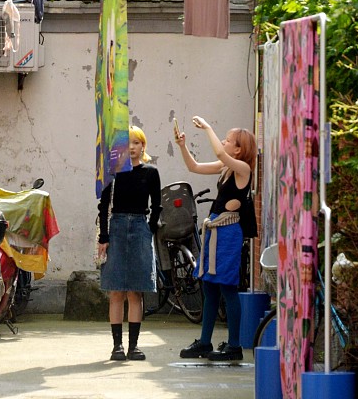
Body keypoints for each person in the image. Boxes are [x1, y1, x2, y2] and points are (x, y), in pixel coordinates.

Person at [175, 115, 257, 362]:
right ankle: (204, 341)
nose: (223, 141)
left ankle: (234, 346)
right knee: (209, 287)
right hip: (214, 231)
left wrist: (208, 127)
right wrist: (182, 146)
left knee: (228, 288)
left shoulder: (243, 169)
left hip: (229, 233)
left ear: (239, 149)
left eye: (228, 140)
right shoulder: (226, 169)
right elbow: (194, 167)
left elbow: (221, 155)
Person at [97, 126, 161, 362]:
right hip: (116, 228)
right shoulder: (113, 173)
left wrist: (149, 229)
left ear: (143, 146)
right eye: (127, 144)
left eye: (136, 143)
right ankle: (117, 347)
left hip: (140, 228)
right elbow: (103, 207)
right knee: (116, 291)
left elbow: (157, 205)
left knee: (135, 291)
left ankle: (133, 346)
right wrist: (104, 237)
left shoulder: (151, 172)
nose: (132, 148)